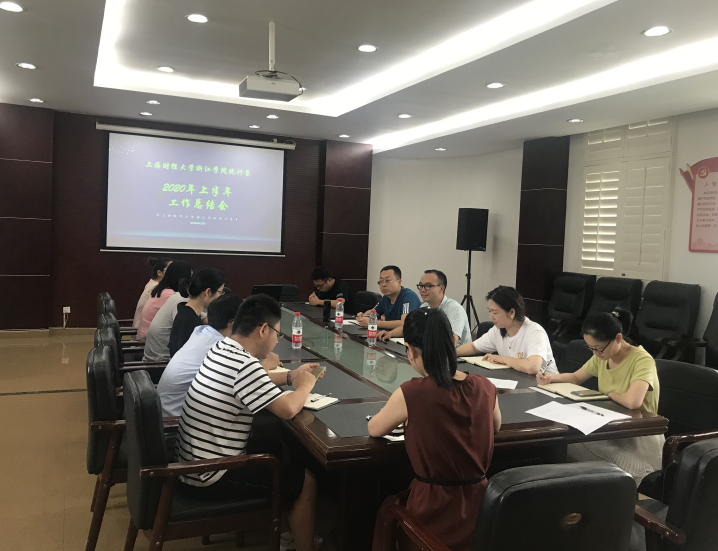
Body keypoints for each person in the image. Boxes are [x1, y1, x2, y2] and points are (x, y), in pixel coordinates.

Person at [176, 294, 323, 551]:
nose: (277, 339)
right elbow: (288, 409)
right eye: (278, 333)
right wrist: (305, 385)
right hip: (211, 475)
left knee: (275, 448)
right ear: (263, 329)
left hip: (191, 464)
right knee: (305, 480)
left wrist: (291, 376)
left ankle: (286, 536)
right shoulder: (244, 364)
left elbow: (251, 381)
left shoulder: (223, 348)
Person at [369, 308, 501, 551]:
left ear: (410, 350)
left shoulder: (411, 392)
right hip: (481, 512)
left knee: (387, 506)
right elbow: (496, 425)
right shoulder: (485, 386)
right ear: (452, 342)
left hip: (430, 514)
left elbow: (375, 428)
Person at [536, 309, 662, 483]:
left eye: (598, 348)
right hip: (609, 427)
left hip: (637, 438)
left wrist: (609, 394)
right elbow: (576, 377)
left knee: (565, 445)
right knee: (560, 439)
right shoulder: (603, 356)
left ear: (618, 338)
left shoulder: (642, 360)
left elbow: (633, 401)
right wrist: (550, 378)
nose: (595, 353)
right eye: (591, 348)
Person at [158, 294, 283, 417]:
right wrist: (265, 366)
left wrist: (287, 376)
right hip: (174, 420)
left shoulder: (202, 332)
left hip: (169, 410)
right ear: (234, 323)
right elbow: (248, 380)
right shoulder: (220, 348)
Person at [455, 286, 558, 375]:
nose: (491, 316)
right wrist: (450, 353)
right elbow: (473, 347)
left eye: (495, 312)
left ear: (512, 312)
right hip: (518, 380)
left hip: (547, 387)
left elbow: (532, 367)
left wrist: (503, 359)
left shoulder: (534, 331)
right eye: (489, 311)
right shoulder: (498, 330)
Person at [378, 269, 471, 346]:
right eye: (421, 286)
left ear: (441, 288)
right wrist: (390, 334)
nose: (422, 290)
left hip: (457, 357)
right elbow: (408, 327)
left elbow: (453, 340)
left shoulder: (454, 309)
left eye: (428, 286)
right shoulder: (425, 306)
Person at [168, 267, 226, 357]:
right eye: (220, 292)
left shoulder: (186, 311)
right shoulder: (190, 321)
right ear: (208, 292)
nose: (220, 296)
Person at [137, 261, 192, 340]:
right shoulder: (170, 295)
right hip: (149, 340)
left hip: (149, 337)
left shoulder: (162, 290)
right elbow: (184, 321)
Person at [132, 258, 171, 329]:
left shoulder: (153, 283)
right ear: (159, 273)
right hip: (142, 330)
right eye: (170, 270)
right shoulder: (156, 287)